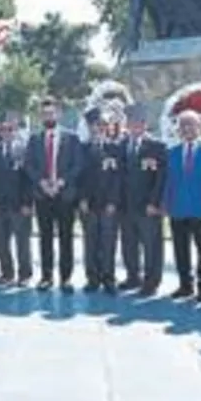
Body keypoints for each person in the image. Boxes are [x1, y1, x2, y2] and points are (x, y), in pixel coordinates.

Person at [162, 111, 201, 301]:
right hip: (178, 209)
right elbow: (168, 181)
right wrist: (165, 203)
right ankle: (185, 286)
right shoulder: (171, 153)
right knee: (180, 250)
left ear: (200, 128)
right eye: (183, 125)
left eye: (191, 124)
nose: (187, 128)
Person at [24, 97, 83, 293]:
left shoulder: (72, 138)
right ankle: (46, 277)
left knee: (66, 238)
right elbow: (29, 165)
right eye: (44, 114)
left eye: (51, 113)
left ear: (59, 114)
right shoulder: (34, 139)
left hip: (65, 196)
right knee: (45, 238)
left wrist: (61, 182)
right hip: (42, 196)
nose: (48, 116)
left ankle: (66, 278)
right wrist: (41, 182)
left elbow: (77, 165)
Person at [118, 103, 167, 297]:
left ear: (145, 124)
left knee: (151, 246)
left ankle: (151, 281)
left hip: (147, 206)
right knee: (128, 244)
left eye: (138, 122)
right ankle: (133, 277)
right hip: (126, 205)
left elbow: (161, 178)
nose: (134, 126)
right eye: (131, 122)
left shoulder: (157, 146)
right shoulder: (121, 145)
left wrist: (154, 203)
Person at [77, 107, 126, 294]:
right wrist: (82, 199)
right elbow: (79, 176)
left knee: (108, 242)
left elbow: (118, 178)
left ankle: (108, 278)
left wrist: (113, 201)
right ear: (90, 127)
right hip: (88, 204)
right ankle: (92, 278)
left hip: (108, 205)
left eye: (103, 125)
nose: (99, 128)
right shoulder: (82, 149)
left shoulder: (115, 149)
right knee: (90, 242)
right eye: (95, 125)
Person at [0, 115, 32, 286]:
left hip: (19, 205)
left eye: (10, 129)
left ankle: (24, 275)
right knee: (1, 242)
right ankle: (7, 273)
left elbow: (29, 180)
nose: (6, 133)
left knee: (22, 243)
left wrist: (27, 203)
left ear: (15, 131)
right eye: (3, 130)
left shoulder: (24, 150)